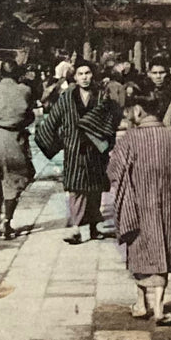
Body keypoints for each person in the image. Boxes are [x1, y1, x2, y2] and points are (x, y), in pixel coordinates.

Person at [108, 90, 171, 326]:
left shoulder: (131, 137)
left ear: (138, 111)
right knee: (163, 253)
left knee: (138, 252)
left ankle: (141, 303)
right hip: (167, 206)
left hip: (137, 207)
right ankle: (158, 308)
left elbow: (114, 170)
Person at [35, 59, 121, 244]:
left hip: (95, 149)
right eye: (80, 74)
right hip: (74, 148)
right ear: (74, 77)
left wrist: (106, 140)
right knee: (76, 188)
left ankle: (94, 227)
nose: (85, 77)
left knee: (95, 188)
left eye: (88, 73)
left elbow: (110, 120)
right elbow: (54, 119)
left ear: (93, 75)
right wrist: (56, 140)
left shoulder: (101, 95)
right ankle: (75, 228)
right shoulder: (67, 96)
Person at [0, 61, 35, 239]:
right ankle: (7, 220)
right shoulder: (24, 90)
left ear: (0, 73)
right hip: (13, 138)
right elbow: (29, 114)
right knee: (14, 179)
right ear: (18, 74)